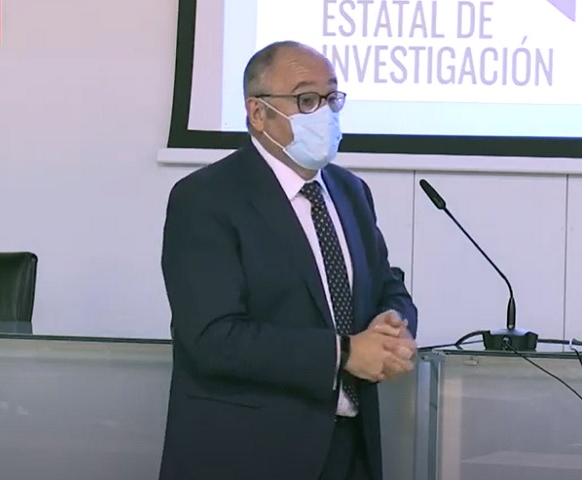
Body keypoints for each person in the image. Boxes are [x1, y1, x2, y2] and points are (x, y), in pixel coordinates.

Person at [158, 41, 419, 480]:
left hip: (349, 449)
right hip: (248, 453)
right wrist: (344, 352)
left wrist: (392, 322)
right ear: (258, 113)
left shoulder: (350, 191)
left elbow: (385, 284)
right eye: (306, 100)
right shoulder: (206, 199)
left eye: (331, 98)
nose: (325, 113)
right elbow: (212, 338)